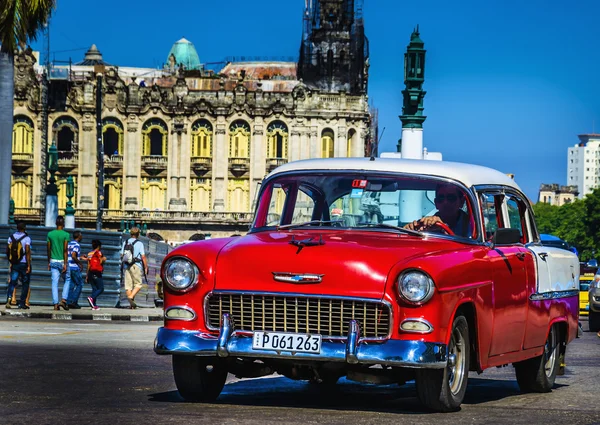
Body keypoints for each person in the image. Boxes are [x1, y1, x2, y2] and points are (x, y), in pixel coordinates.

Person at [405, 183, 472, 237]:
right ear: (436, 203)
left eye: (451, 198)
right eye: (441, 198)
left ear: (461, 202)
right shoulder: (424, 224)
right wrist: (410, 229)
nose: (445, 202)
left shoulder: (473, 226)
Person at [47, 216, 71, 311]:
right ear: (63, 224)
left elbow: (48, 249)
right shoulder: (66, 234)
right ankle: (64, 300)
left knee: (54, 283)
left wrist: (48, 261)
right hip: (62, 261)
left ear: (56, 223)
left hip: (53, 261)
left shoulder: (50, 234)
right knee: (68, 279)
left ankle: (55, 304)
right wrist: (65, 263)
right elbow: (65, 250)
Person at [5, 221, 31, 309]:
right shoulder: (27, 238)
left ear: (17, 228)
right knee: (25, 283)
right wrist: (28, 265)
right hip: (23, 263)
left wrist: (11, 262)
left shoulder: (11, 237)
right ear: (25, 228)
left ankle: (9, 298)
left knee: (13, 282)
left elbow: (7, 251)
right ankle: (22, 303)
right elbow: (27, 251)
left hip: (14, 263)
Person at [120, 227, 148, 309]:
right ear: (138, 234)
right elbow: (143, 257)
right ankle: (131, 297)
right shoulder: (140, 244)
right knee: (138, 285)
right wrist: (146, 267)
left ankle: (131, 305)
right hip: (136, 265)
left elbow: (122, 254)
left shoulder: (125, 242)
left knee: (128, 286)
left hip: (126, 265)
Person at [66, 231, 87, 309]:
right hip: (74, 267)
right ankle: (73, 301)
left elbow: (71, 255)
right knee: (80, 284)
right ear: (79, 236)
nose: (82, 237)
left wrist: (80, 257)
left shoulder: (69, 244)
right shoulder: (77, 245)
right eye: (81, 235)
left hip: (69, 267)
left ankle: (68, 302)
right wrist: (80, 263)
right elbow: (73, 256)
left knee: (71, 285)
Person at [86, 239, 106, 310]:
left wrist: (87, 276)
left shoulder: (89, 254)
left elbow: (88, 265)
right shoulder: (99, 253)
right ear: (99, 246)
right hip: (97, 273)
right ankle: (91, 298)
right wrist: (104, 259)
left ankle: (94, 305)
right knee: (101, 288)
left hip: (91, 273)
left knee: (94, 289)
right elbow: (100, 262)